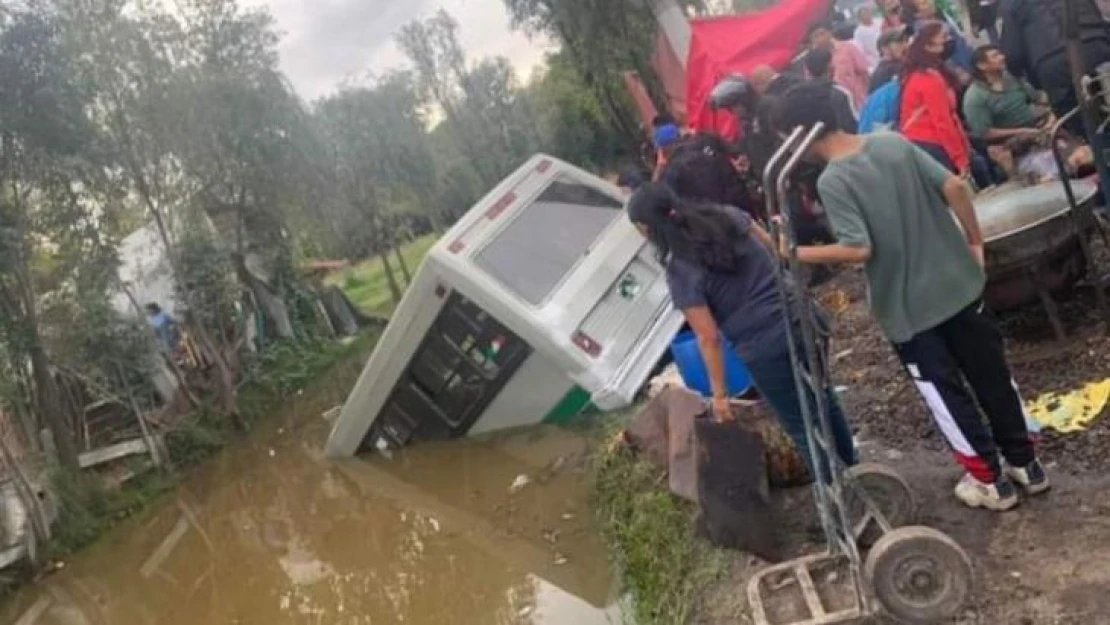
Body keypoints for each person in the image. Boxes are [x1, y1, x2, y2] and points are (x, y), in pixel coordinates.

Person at [774, 82, 1049, 511]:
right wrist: (974, 244)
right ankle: (1026, 464)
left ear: (800, 134)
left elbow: (858, 248)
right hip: (959, 285)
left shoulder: (835, 180)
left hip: (909, 311)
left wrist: (793, 252)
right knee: (992, 375)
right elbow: (956, 188)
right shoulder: (890, 143)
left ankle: (990, 484)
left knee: (946, 395)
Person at [626, 182, 857, 473]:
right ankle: (854, 470)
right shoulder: (728, 216)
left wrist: (720, 396)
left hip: (766, 347)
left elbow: (708, 337)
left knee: (802, 425)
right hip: (804, 317)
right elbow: (775, 252)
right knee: (824, 396)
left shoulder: (680, 270)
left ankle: (839, 496)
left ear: (647, 228)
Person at [999, 0, 1110, 124]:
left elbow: (1013, 53)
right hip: (1095, 45)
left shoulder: (1010, 4)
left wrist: (1029, 78)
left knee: (1075, 120)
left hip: (1052, 64)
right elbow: (1100, 18)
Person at [900, 21, 973, 176]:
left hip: (928, 141)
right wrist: (960, 159)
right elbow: (942, 121)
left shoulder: (926, 73)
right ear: (928, 46)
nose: (949, 41)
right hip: (929, 143)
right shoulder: (927, 78)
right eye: (944, 37)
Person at [963, 45, 1049, 143]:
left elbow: (1038, 97)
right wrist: (1021, 131)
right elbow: (985, 133)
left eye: (1000, 54)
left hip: (1037, 127)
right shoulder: (975, 97)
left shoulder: (1011, 77)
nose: (1002, 57)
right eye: (995, 56)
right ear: (982, 65)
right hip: (1010, 143)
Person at [808, 20, 871, 108]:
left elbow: (864, 72)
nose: (820, 39)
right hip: (836, 106)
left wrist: (869, 95)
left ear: (830, 32)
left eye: (822, 33)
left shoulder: (847, 48)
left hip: (859, 101)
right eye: (815, 36)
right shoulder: (812, 61)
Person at [805, 48, 860, 133]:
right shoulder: (840, 93)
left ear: (807, 70)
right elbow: (853, 126)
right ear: (829, 67)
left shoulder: (800, 94)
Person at [869, 27, 908, 93]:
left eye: (905, 42)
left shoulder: (904, 64)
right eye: (899, 42)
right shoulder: (883, 72)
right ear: (884, 48)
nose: (904, 45)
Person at [854, 5, 885, 70]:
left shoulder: (879, 21)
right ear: (859, 17)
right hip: (876, 61)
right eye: (864, 14)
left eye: (868, 12)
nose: (867, 15)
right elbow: (861, 51)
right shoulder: (858, 32)